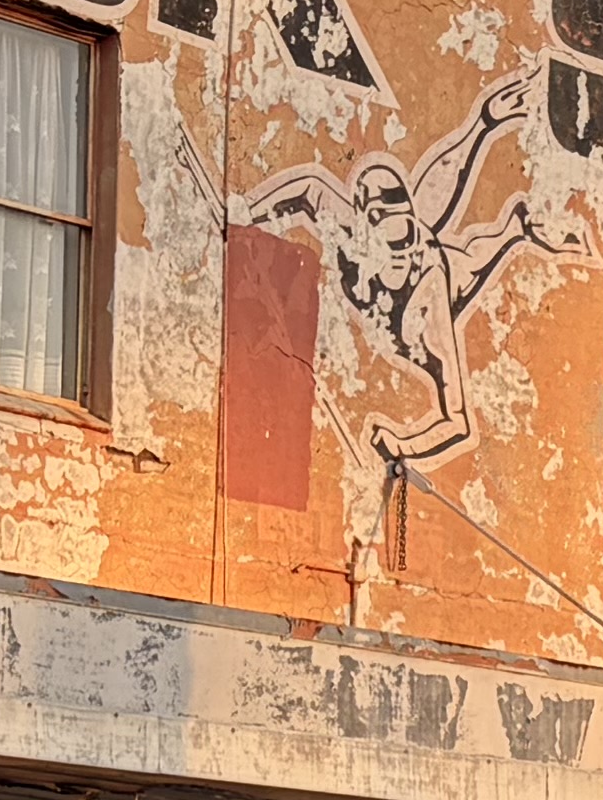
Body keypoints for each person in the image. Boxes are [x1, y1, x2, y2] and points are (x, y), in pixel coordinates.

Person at [232, 78, 582, 498]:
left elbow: (458, 419)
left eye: (405, 241)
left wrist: (405, 446)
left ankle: (515, 230)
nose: (399, 255)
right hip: (398, 257)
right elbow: (308, 190)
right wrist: (243, 213)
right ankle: (490, 144)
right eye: (389, 242)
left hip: (430, 288)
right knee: (440, 218)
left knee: (467, 261)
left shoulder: (428, 299)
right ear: (363, 225)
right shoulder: (348, 227)